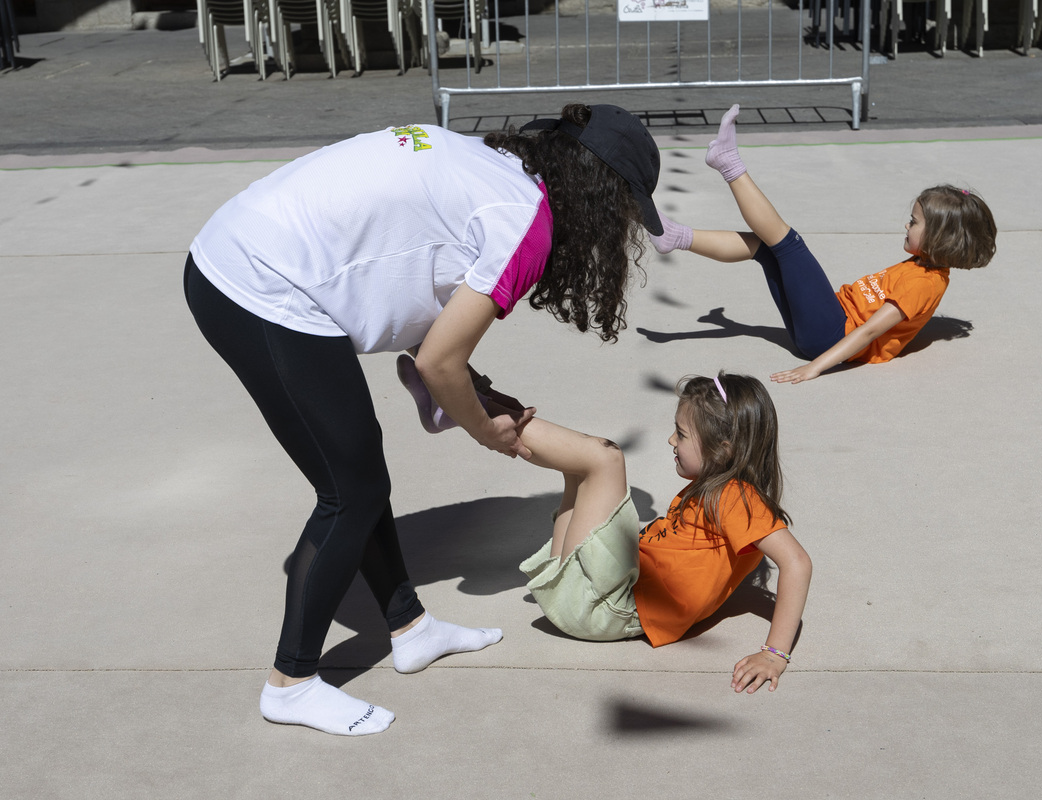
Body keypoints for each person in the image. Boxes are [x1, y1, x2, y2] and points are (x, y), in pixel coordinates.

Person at [183, 103, 662, 736]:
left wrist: (455, 385)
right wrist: (479, 423)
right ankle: (291, 683)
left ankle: (409, 627)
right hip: (258, 285)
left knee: (359, 473)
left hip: (245, 253)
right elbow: (442, 359)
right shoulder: (528, 226)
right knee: (349, 493)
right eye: (624, 216)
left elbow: (402, 261)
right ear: (602, 196)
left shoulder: (494, 170)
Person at [398, 370, 811, 693]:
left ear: (724, 450)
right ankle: (465, 402)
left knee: (604, 458)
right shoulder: (721, 491)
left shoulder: (736, 498)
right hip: (595, 599)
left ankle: (463, 406)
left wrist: (775, 654)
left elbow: (796, 562)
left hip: (608, 606)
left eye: (681, 434)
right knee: (580, 462)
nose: (671, 439)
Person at [650, 104, 998, 384]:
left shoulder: (923, 283)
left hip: (829, 336)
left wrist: (815, 367)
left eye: (915, 221)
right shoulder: (925, 268)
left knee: (788, 243)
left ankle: (728, 164)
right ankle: (676, 237)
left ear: (940, 237)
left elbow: (870, 332)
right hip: (828, 323)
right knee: (766, 247)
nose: (906, 225)